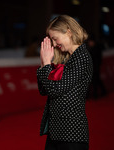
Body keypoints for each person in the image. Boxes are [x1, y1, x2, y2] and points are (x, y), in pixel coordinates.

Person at [36, 15, 93, 150]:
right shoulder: (65, 58)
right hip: (55, 132)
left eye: (55, 39)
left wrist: (46, 66)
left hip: (72, 134)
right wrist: (44, 64)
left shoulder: (82, 57)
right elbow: (44, 90)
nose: (54, 44)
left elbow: (55, 89)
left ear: (68, 32)